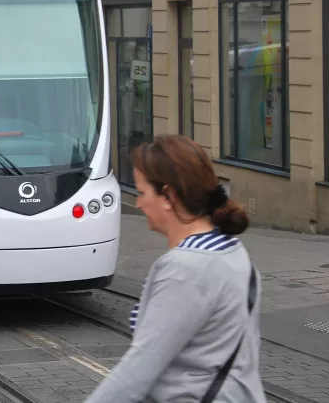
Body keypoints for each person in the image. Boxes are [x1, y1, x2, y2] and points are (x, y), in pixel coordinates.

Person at [83, 135, 265, 403]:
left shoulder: (185, 268)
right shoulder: (234, 252)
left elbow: (136, 373)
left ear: (169, 195)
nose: (139, 203)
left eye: (143, 192)